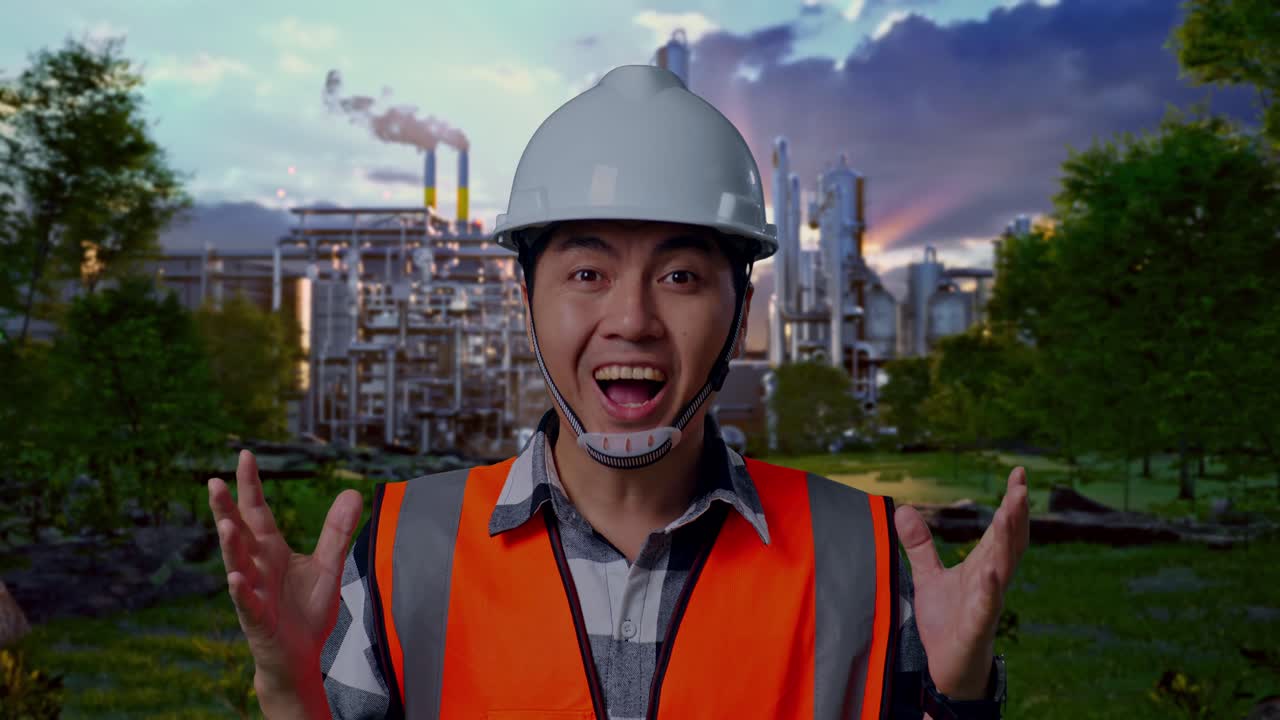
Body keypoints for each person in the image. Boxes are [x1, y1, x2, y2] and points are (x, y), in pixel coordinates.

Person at [207, 65, 1028, 720]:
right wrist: (290, 688)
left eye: (679, 276)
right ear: (526, 299)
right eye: (588, 273)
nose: (631, 319)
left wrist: (957, 700)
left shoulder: (867, 557)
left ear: (741, 310)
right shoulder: (398, 552)